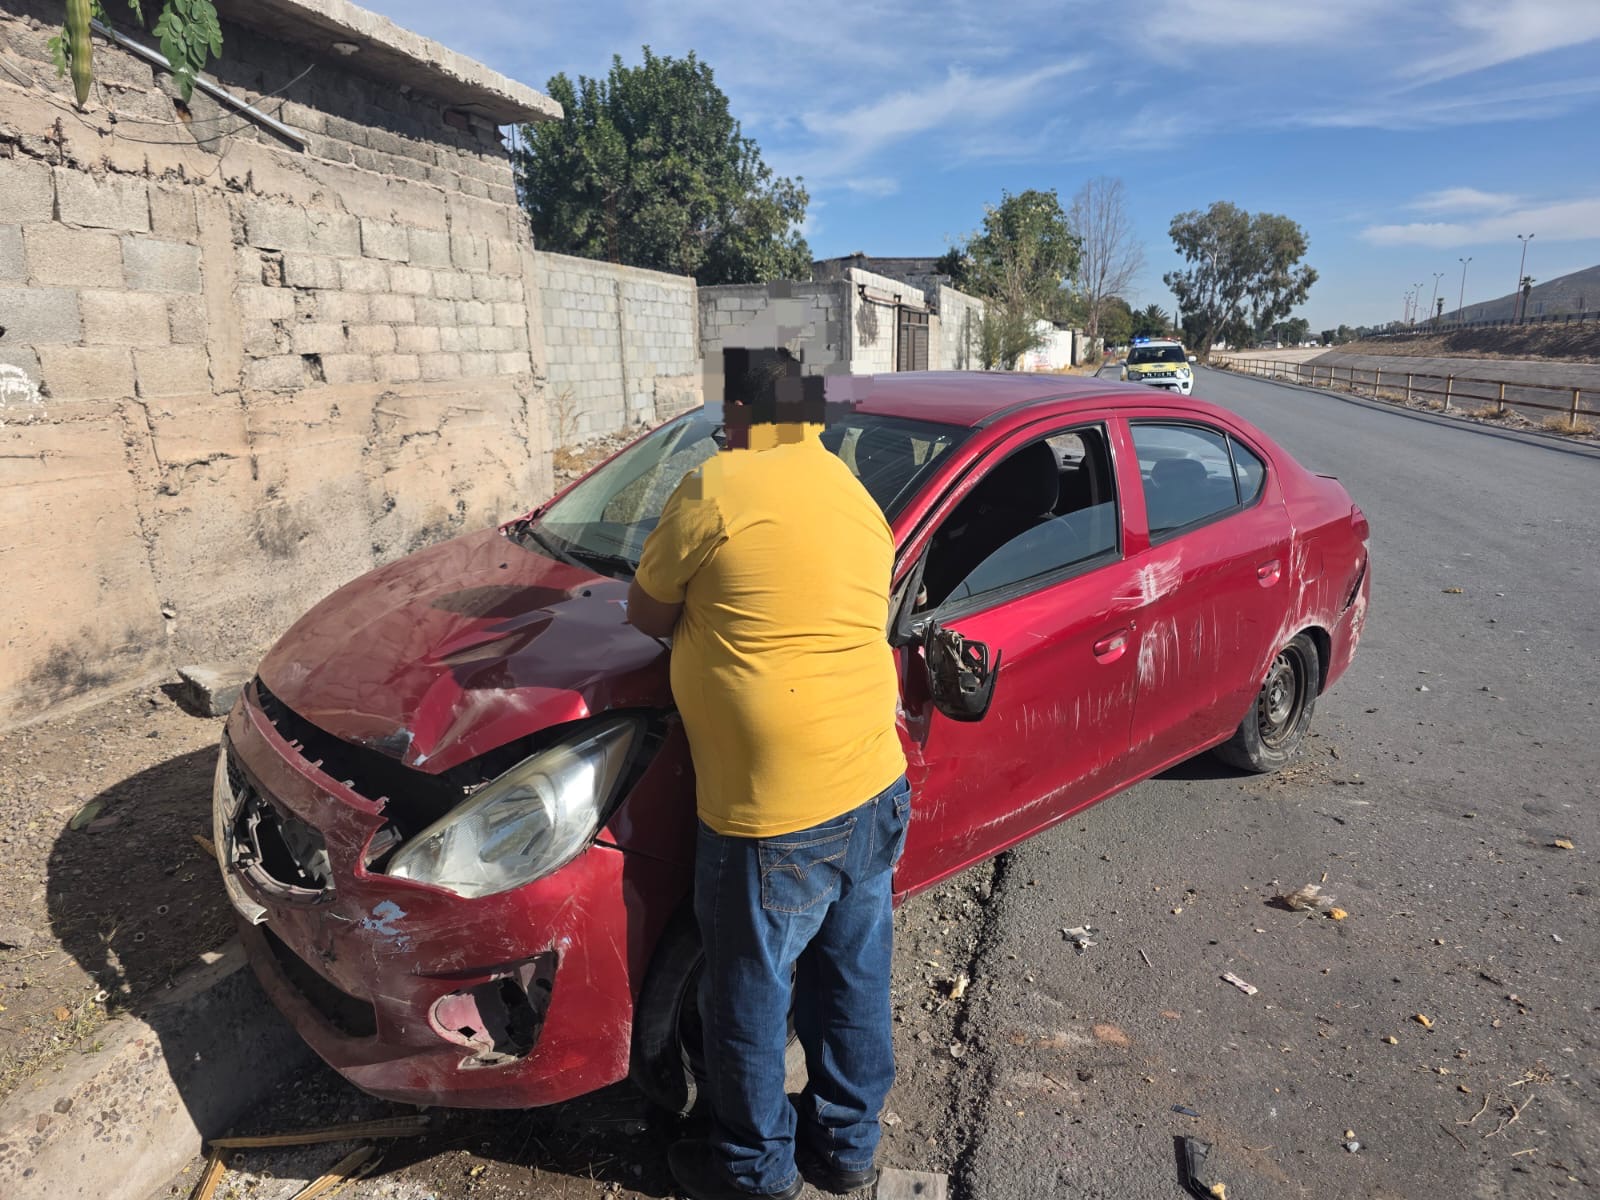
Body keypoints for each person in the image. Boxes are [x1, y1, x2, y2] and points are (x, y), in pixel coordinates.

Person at [626, 349, 910, 1200]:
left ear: (741, 414)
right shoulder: (857, 497)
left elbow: (645, 612)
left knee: (747, 998)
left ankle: (754, 1172)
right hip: (875, 784)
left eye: (727, 416)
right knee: (852, 977)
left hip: (773, 810)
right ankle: (849, 1148)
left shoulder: (718, 486)